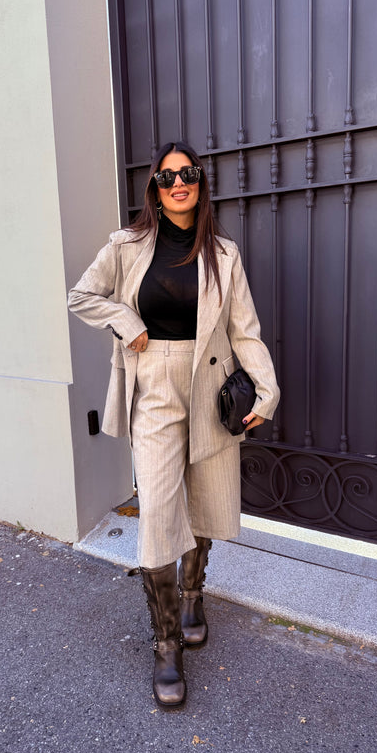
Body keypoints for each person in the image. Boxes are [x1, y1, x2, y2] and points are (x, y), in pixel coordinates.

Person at [68, 141, 279, 710]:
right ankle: (166, 644)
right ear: (155, 190)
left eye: (187, 174)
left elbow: (245, 331)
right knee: (160, 510)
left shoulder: (224, 254)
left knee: (205, 498)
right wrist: (124, 318)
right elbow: (81, 296)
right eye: (167, 177)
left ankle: (192, 595)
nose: (178, 183)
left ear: (200, 182)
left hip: (211, 382)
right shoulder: (126, 245)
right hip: (155, 383)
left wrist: (268, 389)